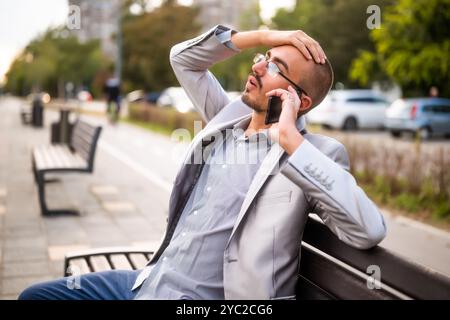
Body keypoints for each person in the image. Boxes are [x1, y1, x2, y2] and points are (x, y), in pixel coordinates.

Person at [19, 25, 386, 300]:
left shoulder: (313, 153)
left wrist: (289, 139)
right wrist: (264, 34)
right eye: (263, 58)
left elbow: (366, 229)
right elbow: (183, 59)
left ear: (299, 100)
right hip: (147, 282)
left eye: (275, 67)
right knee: (34, 296)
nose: (257, 67)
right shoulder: (227, 117)